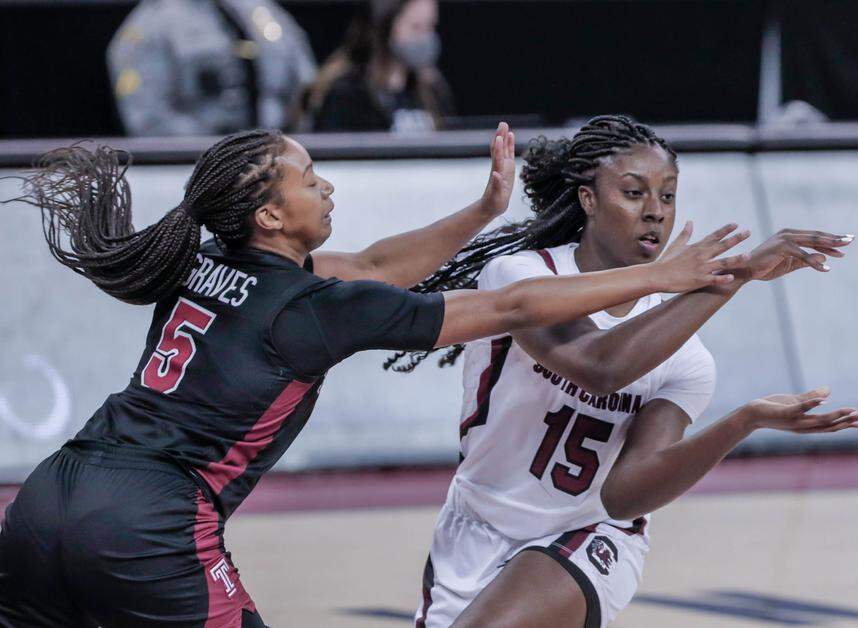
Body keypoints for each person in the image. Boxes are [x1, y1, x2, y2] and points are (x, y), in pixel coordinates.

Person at [0, 123, 747, 627]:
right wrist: (669, 275)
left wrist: (482, 210)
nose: (326, 188)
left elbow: (375, 264)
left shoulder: (203, 260)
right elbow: (512, 305)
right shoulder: (317, 310)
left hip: (48, 495)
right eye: (308, 179)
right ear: (269, 217)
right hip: (149, 522)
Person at [400, 115, 858, 628]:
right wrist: (729, 277)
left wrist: (744, 420)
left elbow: (625, 496)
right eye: (634, 192)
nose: (655, 212)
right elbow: (598, 366)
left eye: (667, 196)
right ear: (588, 199)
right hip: (475, 524)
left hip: (589, 536)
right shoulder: (519, 275)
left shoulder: (686, 358)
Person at [108, 0, 317, 136]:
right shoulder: (149, 25)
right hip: (198, 167)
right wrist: (220, 158)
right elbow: (149, 118)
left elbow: (307, 83)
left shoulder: (262, 10)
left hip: (280, 156)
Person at [305, 0, 453, 133]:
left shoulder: (431, 90)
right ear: (385, 26)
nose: (425, 38)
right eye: (416, 27)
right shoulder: (346, 93)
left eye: (430, 26)